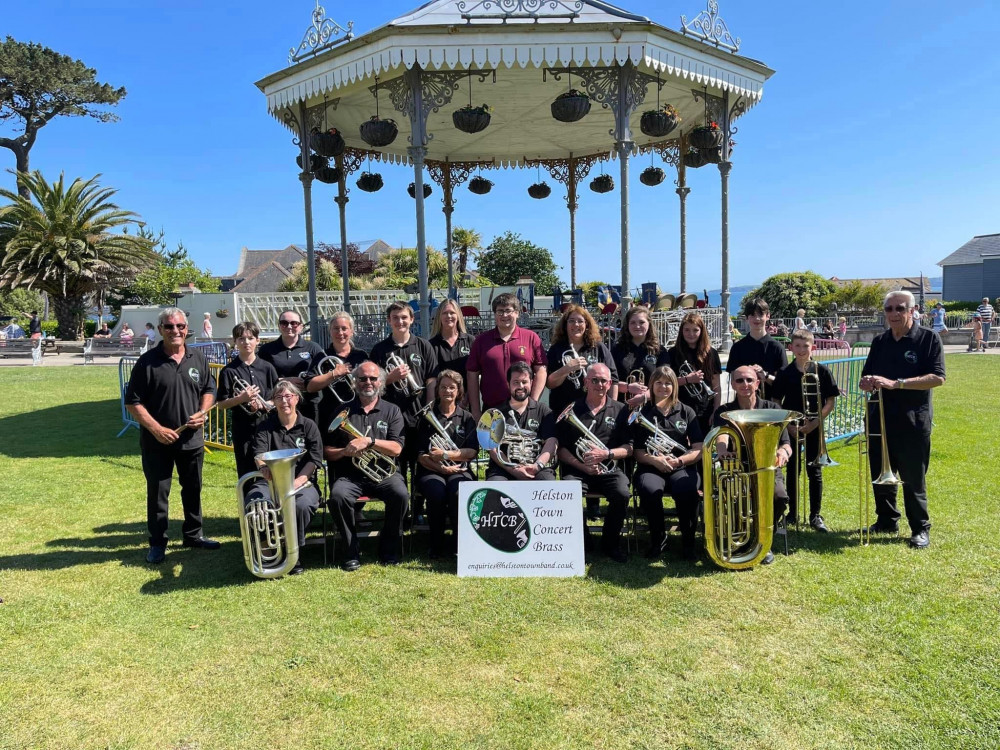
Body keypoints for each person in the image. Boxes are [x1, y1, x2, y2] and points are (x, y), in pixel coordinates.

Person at [124, 308, 219, 564]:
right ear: (160, 330)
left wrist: (203, 412)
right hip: (157, 443)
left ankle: (193, 535)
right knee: (158, 493)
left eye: (180, 326)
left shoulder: (197, 357)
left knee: (193, 488)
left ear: (187, 329)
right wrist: (156, 429)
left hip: (191, 440)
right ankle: (157, 543)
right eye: (169, 327)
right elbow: (133, 402)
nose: (175, 331)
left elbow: (209, 388)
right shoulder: (147, 362)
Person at [859, 290, 946, 549]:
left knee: (913, 478)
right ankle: (886, 519)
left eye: (900, 308)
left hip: (913, 421)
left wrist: (897, 384)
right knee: (881, 474)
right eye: (889, 309)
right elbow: (868, 376)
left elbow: (938, 378)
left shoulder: (928, 338)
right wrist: (867, 382)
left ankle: (920, 528)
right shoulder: (880, 341)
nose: (894, 314)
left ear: (912, 310)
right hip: (880, 419)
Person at [325, 361, 409, 570]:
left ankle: (388, 549)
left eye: (372, 378)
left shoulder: (392, 410)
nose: (367, 383)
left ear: (381, 382)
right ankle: (351, 551)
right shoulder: (342, 411)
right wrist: (345, 451)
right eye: (362, 378)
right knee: (338, 497)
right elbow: (326, 451)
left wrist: (370, 442)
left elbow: (397, 448)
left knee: (400, 494)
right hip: (351, 475)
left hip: (385, 474)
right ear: (354, 382)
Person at [712, 365, 793, 565]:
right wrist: (722, 450)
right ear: (732, 384)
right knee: (733, 495)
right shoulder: (724, 411)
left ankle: (764, 539)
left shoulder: (773, 410)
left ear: (758, 383)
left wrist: (783, 453)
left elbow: (786, 444)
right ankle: (739, 536)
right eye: (739, 380)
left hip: (768, 467)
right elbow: (721, 434)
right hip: (737, 467)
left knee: (779, 496)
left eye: (749, 380)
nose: (745, 384)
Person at [556, 363, 633, 563]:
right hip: (578, 469)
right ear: (586, 382)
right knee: (568, 493)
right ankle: (583, 540)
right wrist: (583, 466)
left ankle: (610, 543)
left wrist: (606, 454)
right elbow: (562, 450)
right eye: (595, 380)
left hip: (608, 468)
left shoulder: (621, 410)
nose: (599, 385)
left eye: (604, 381)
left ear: (610, 384)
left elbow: (629, 447)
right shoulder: (572, 409)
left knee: (622, 493)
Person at [245, 380, 323, 575]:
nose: (284, 401)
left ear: (297, 399)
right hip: (269, 481)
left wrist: (298, 481)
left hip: (302, 482)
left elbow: (314, 459)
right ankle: (266, 547)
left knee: (302, 506)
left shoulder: (309, 426)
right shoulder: (265, 426)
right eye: (279, 397)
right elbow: (259, 453)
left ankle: (292, 553)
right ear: (273, 401)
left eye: (288, 396)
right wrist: (264, 469)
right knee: (256, 503)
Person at [631, 366, 704, 560]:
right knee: (649, 489)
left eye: (668, 383)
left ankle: (688, 542)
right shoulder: (643, 413)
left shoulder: (686, 411)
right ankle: (658, 539)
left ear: (674, 386)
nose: (663, 387)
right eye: (659, 383)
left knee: (687, 491)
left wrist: (679, 460)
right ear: (651, 386)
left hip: (680, 465)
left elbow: (698, 448)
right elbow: (637, 451)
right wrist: (655, 460)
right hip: (651, 466)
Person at [771, 329, 840, 532]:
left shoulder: (822, 371)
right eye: (797, 346)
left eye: (806, 346)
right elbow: (776, 401)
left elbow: (830, 402)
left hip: (813, 428)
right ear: (791, 347)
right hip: (791, 428)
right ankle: (792, 513)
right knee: (792, 471)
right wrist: (788, 426)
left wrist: (814, 423)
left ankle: (815, 515)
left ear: (813, 347)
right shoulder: (785, 373)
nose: (801, 350)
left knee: (815, 470)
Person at [415, 370, 479, 558]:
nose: (447, 391)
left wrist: (445, 454)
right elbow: (421, 455)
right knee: (436, 492)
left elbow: (472, 452)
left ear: (459, 391)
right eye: (443, 387)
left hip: (459, 469)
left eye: (452, 387)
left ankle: (460, 543)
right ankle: (436, 544)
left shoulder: (466, 418)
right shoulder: (426, 418)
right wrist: (441, 467)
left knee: (458, 492)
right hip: (431, 470)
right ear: (438, 390)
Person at [467, 293, 546, 420]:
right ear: (494, 314)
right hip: (492, 410)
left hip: (523, 410)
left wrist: (533, 403)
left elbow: (541, 371)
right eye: (500, 311)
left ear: (517, 313)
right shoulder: (481, 340)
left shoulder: (531, 337)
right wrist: (476, 412)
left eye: (508, 311)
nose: (504, 315)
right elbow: (472, 376)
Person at [216, 321, 279, 479]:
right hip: (243, 430)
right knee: (247, 473)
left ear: (257, 340)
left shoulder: (267, 368)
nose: (246, 342)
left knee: (271, 473)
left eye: (250, 338)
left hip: (267, 428)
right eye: (241, 338)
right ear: (235, 342)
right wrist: (241, 398)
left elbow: (276, 397)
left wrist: (264, 404)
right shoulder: (228, 371)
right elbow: (221, 404)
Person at [484, 361, 558, 482]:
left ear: (531, 383)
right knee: (495, 484)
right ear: (508, 384)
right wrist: (512, 469)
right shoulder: (496, 413)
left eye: (524, 382)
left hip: (536, 466)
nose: (521, 386)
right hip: (503, 467)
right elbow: (492, 447)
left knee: (547, 481)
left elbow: (551, 441)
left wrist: (537, 465)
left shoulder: (543, 411)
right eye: (516, 382)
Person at [547, 304, 618, 417]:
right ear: (565, 325)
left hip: (595, 410)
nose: (576, 324)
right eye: (571, 321)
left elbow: (613, 380)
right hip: (563, 409)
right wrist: (567, 369)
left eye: (580, 321)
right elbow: (550, 383)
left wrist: (612, 409)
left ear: (587, 325)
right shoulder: (556, 349)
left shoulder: (598, 348)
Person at [305, 311, 369, 432]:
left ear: (351, 331)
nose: (340, 333)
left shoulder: (361, 355)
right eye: (336, 328)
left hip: (358, 410)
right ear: (330, 331)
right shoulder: (322, 356)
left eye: (344, 328)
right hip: (331, 411)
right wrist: (333, 374)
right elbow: (310, 387)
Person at [258, 309, 324, 424]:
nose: (289, 326)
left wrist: (309, 382)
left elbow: (322, 374)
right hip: (280, 405)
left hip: (309, 404)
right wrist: (284, 381)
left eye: (294, 323)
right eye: (284, 323)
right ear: (279, 326)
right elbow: (261, 378)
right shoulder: (267, 350)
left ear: (301, 327)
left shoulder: (313, 348)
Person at [668, 312, 722, 435]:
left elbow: (716, 385)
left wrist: (716, 410)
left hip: (705, 409)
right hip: (679, 408)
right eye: (687, 330)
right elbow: (667, 383)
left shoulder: (711, 353)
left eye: (695, 330)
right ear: (681, 331)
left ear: (701, 331)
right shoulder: (672, 353)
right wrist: (687, 380)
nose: (691, 334)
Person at [726, 297, 787, 400]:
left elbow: (783, 384)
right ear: (747, 318)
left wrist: (766, 376)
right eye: (752, 315)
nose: (757, 318)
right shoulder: (737, 348)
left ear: (768, 316)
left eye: (760, 314)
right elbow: (733, 382)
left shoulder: (777, 348)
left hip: (770, 406)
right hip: (743, 406)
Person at [612, 304, 669, 409]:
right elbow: (609, 380)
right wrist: (628, 388)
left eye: (642, 322)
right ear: (627, 325)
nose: (637, 326)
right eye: (632, 322)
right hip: (622, 406)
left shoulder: (660, 351)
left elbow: (667, 382)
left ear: (649, 324)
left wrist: (645, 396)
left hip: (651, 407)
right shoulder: (616, 349)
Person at [428, 299, 475, 403]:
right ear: (439, 317)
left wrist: (468, 397)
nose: (449, 316)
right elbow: (431, 379)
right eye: (445, 313)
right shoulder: (431, 345)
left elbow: (475, 375)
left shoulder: (470, 341)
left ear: (458, 316)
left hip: (466, 402)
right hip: (441, 403)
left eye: (452, 313)